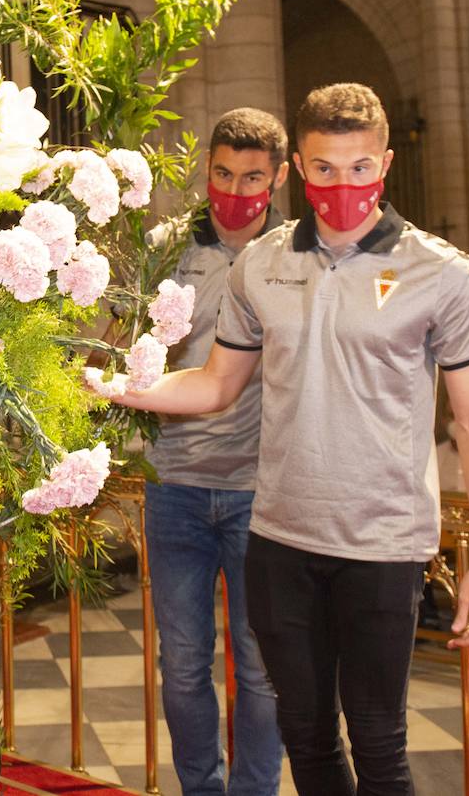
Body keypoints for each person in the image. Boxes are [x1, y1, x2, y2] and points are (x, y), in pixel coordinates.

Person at [112, 83, 469, 795]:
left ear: (384, 163)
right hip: (281, 536)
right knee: (308, 738)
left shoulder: (441, 272)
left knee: (379, 743)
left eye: (360, 168)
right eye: (325, 168)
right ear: (302, 163)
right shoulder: (259, 263)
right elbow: (215, 383)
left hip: (381, 541)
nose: (342, 185)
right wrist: (116, 385)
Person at [145, 108, 287, 795]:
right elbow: (128, 343)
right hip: (174, 484)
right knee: (182, 665)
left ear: (279, 176)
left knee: (262, 668)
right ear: (207, 171)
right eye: (223, 174)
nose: (235, 190)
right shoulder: (166, 248)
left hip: (264, 492)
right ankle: (202, 789)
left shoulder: (296, 254)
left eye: (253, 176)